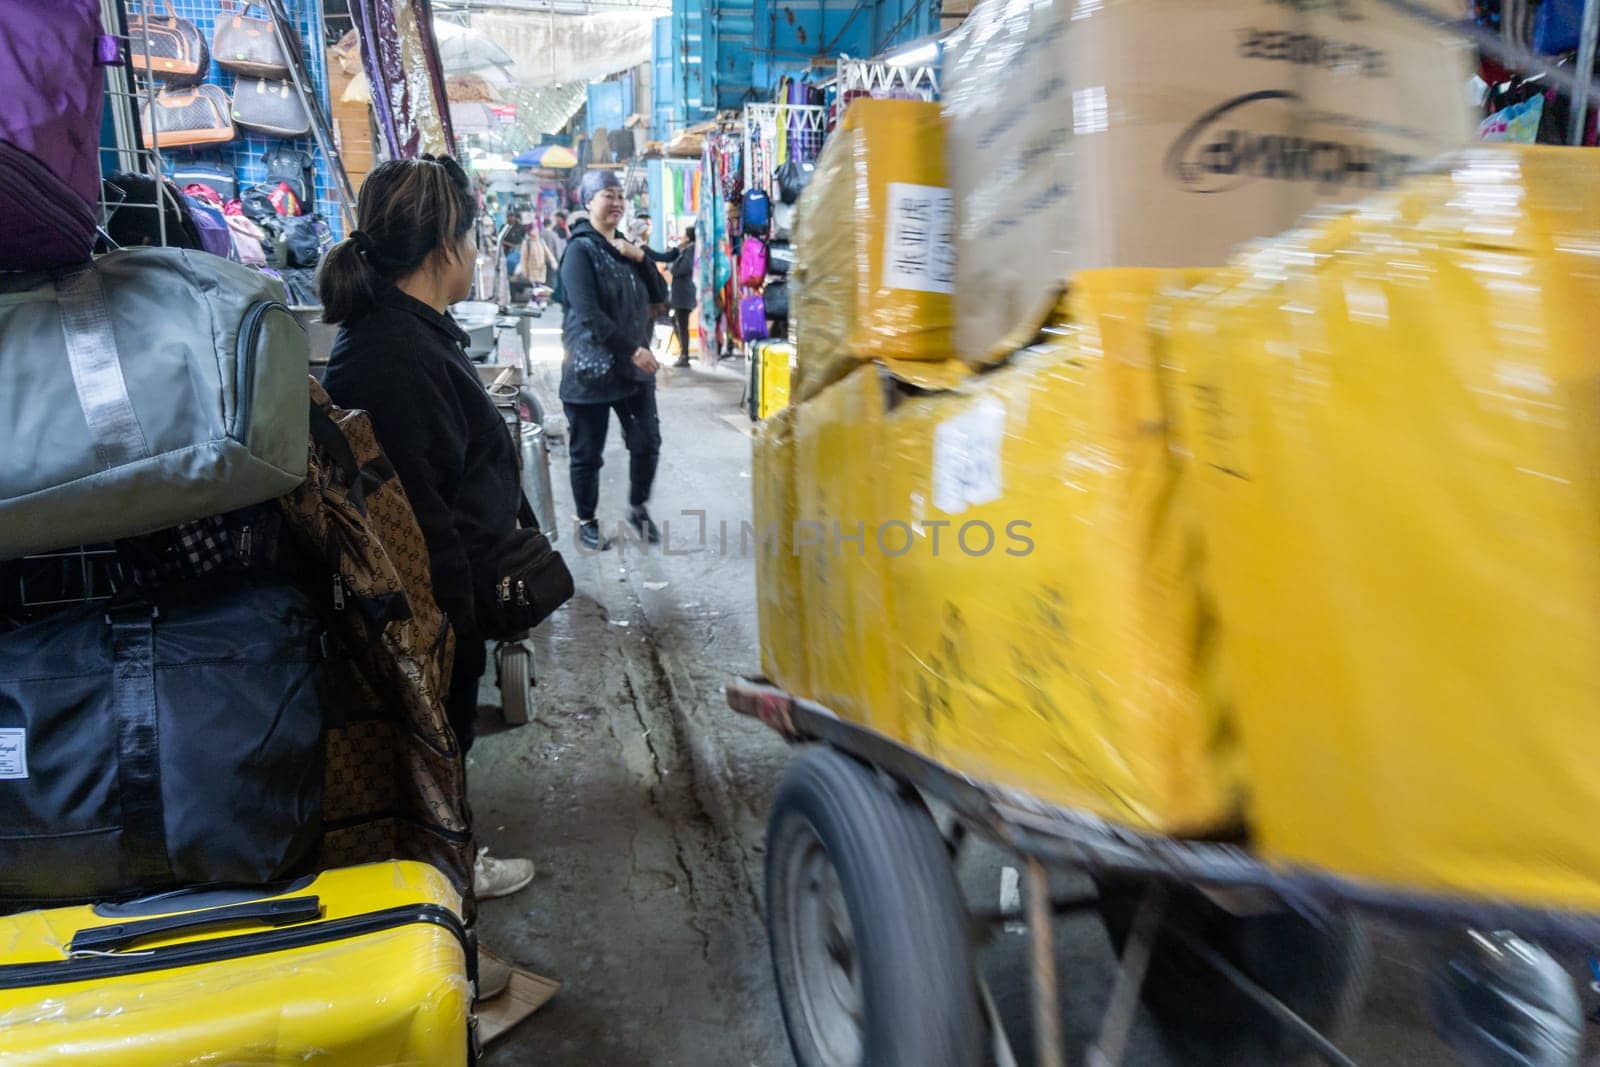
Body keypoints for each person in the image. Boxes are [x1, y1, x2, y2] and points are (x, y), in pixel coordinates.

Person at [316, 156, 536, 906]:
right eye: (472, 239)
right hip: (433, 611)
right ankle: (448, 881)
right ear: (444, 248)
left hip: (442, 604)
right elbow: (418, 522)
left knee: (443, 751)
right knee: (436, 752)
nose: (477, 255)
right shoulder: (394, 355)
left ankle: (453, 863)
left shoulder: (405, 334)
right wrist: (457, 627)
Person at [559, 169, 665, 551]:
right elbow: (588, 313)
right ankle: (586, 519)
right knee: (588, 454)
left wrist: (642, 258)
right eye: (608, 194)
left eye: (621, 195)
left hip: (632, 371)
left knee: (647, 442)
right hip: (591, 371)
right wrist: (633, 349)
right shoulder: (579, 250)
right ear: (587, 201)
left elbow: (660, 295)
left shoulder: (626, 247)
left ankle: (638, 507)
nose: (617, 202)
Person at [669, 226, 696, 367]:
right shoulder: (687, 250)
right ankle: (683, 353)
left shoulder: (690, 250)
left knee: (682, 324)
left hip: (684, 293)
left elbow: (679, 269)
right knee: (676, 321)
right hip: (682, 292)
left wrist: (673, 266)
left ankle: (685, 356)